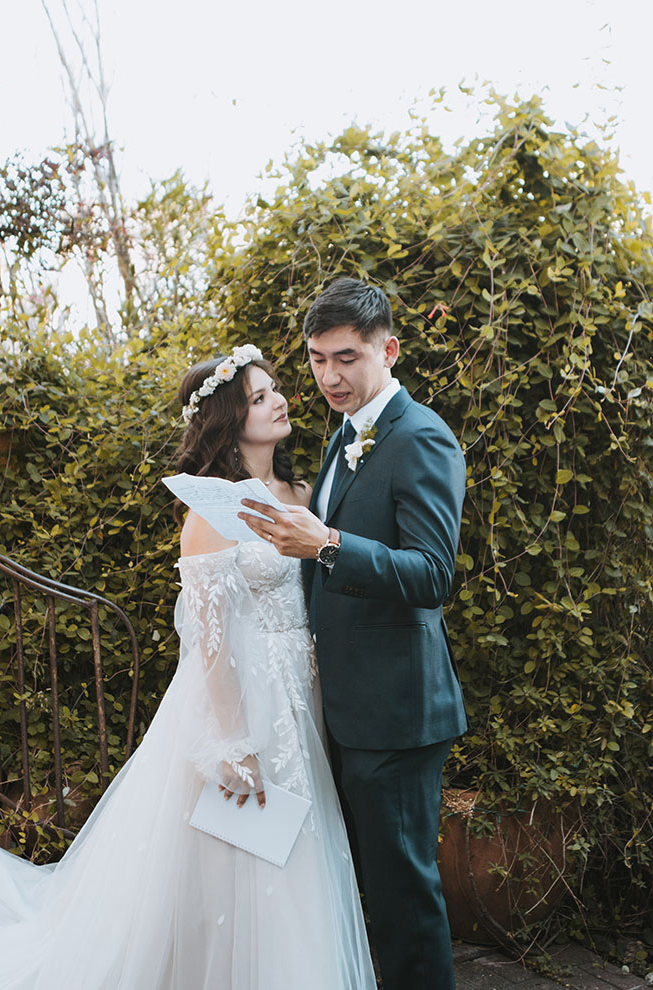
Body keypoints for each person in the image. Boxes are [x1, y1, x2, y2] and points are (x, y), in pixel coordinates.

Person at [0, 344, 377, 990]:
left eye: (276, 388)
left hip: (298, 690)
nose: (280, 399)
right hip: (241, 700)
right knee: (244, 850)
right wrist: (234, 742)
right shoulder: (210, 513)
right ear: (231, 420)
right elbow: (211, 640)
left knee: (303, 841)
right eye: (259, 397)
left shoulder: (303, 491)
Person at [239, 279, 468, 990]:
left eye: (345, 358)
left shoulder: (422, 437)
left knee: (404, 905)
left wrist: (330, 542)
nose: (329, 377)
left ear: (387, 350)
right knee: (371, 897)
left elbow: (433, 575)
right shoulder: (342, 438)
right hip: (342, 710)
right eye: (315, 360)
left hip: (397, 715)